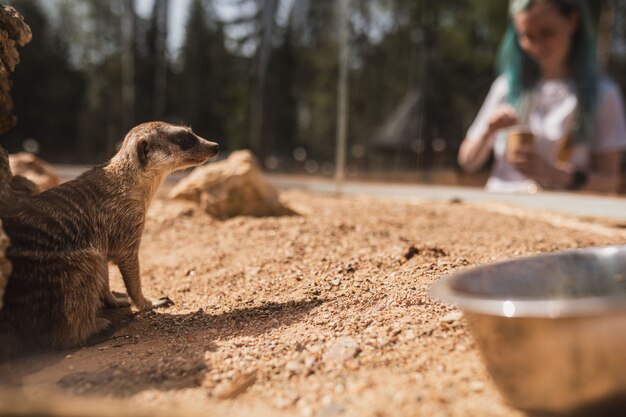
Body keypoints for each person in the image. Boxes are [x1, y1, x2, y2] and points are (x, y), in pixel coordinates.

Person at [458, 0, 626, 193]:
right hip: (501, 201)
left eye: (548, 33)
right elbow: (467, 162)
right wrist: (488, 131)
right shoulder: (506, 87)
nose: (537, 46)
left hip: (560, 211)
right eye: (527, 36)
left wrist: (557, 174)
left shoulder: (603, 93)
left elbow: (611, 180)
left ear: (573, 20)